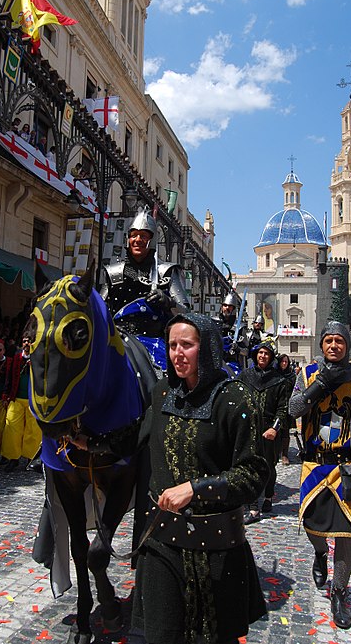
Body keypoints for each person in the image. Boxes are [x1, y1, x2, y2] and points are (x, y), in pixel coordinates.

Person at [73, 313, 268, 644]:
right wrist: (91, 443)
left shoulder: (237, 399)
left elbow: (254, 475)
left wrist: (196, 488)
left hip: (217, 550)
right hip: (162, 544)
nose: (177, 353)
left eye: (187, 345)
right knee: (160, 636)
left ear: (206, 348)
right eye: (172, 345)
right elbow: (136, 435)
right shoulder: (163, 392)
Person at [289, 321, 351, 630]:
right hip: (316, 465)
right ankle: (318, 554)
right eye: (328, 340)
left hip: (347, 467)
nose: (333, 346)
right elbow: (294, 409)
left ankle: (339, 592)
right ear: (321, 344)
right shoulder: (307, 374)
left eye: (339, 341)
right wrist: (320, 385)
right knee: (314, 527)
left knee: (346, 532)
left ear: (347, 345)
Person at [101, 208, 189, 339]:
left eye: (143, 236)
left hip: (154, 340)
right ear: (128, 239)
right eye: (134, 235)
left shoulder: (165, 272)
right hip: (117, 338)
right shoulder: (113, 272)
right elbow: (99, 308)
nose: (137, 239)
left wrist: (169, 302)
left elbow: (186, 313)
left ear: (151, 240)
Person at [238, 337, 288, 522]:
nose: (263, 356)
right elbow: (237, 398)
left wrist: (275, 429)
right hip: (248, 426)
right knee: (248, 465)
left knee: (268, 467)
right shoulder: (245, 376)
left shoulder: (279, 381)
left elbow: (283, 409)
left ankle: (268, 497)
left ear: (271, 357)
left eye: (266, 353)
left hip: (268, 429)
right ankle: (252, 507)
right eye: (260, 352)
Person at [0, 337, 41, 472]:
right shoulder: (16, 359)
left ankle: (31, 458)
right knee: (12, 428)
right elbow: (9, 377)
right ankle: (13, 458)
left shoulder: (38, 358)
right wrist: (6, 395)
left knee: (33, 430)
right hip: (16, 398)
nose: (26, 344)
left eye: (29, 341)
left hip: (32, 400)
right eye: (24, 341)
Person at [277, 353, 296, 465]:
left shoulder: (291, 376)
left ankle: (285, 454)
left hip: (287, 406)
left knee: (285, 432)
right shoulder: (274, 375)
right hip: (276, 406)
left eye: (286, 361)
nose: (284, 363)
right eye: (282, 361)